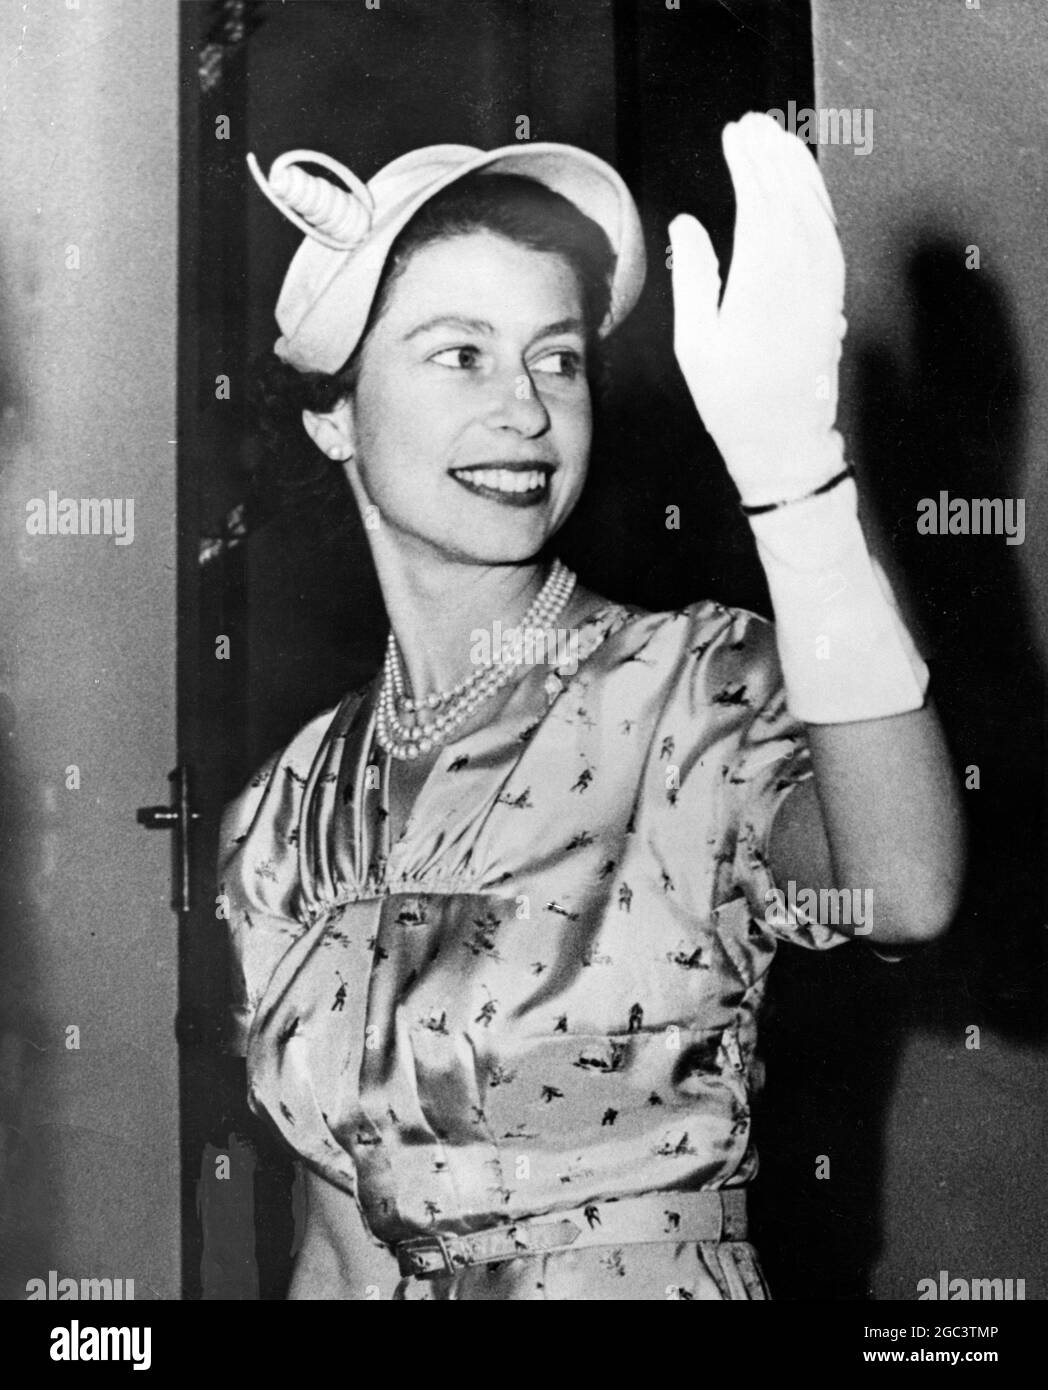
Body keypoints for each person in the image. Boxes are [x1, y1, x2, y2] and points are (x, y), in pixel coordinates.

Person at [220, 115, 965, 1300]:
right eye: (458, 353)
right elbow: (344, 1246)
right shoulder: (284, 814)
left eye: (555, 358)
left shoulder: (693, 686)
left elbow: (903, 891)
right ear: (333, 414)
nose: (526, 410)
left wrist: (797, 491)